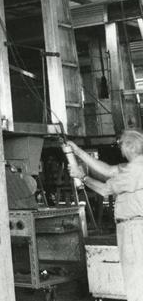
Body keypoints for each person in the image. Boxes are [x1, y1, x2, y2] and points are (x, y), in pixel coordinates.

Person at [67, 129, 143, 301]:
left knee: (135, 281)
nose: (120, 149)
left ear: (128, 148)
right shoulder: (137, 166)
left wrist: (83, 176)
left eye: (121, 145)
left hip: (134, 230)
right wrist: (77, 151)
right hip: (135, 227)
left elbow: (104, 189)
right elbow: (108, 170)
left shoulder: (134, 171)